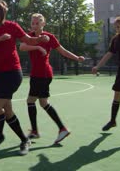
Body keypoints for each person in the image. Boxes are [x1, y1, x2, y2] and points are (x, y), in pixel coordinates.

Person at [0, 0, 50, 156]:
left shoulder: (12, 26)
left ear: (1, 12)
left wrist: (40, 39)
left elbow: (28, 40)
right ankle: (24, 140)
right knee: (7, 110)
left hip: (12, 73)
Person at [19, 13, 85, 144]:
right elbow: (22, 47)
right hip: (36, 74)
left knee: (32, 101)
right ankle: (51, 129)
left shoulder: (50, 37)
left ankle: (46, 130)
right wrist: (37, 46)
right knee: (41, 102)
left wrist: (77, 58)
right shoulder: (30, 36)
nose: (34, 25)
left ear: (43, 24)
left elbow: (63, 51)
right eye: (33, 23)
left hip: (43, 74)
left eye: (37, 23)